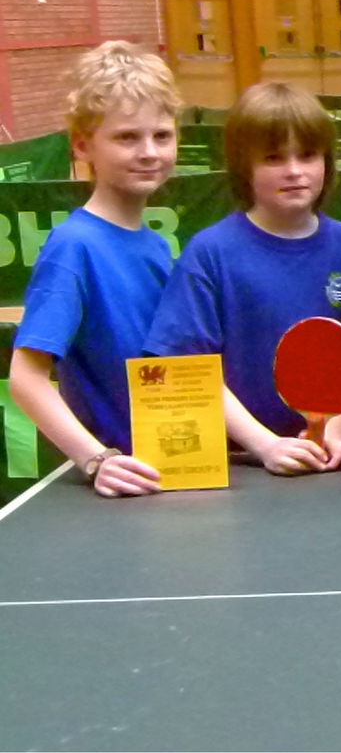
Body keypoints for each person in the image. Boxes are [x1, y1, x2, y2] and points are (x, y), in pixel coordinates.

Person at [145, 82, 341, 475]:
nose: (294, 171)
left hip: (334, 464)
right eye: (273, 158)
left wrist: (336, 434)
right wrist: (265, 446)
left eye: (308, 155)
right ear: (243, 167)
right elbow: (185, 370)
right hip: (242, 467)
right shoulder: (210, 253)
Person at [9, 42, 180, 496]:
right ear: (83, 144)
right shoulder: (73, 247)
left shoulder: (157, 246)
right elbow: (26, 378)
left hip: (172, 469)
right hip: (122, 484)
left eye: (162, 135)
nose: (149, 152)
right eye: (127, 137)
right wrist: (97, 458)